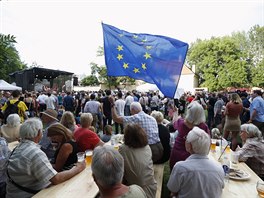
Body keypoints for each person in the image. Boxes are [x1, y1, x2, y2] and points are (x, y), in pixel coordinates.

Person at [6, 118, 85, 198]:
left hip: (14, 193)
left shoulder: (18, 148)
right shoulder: (35, 153)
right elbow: (56, 179)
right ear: (39, 133)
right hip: (31, 194)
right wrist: (78, 168)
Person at [167, 127, 225, 198]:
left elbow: (173, 190)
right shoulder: (219, 168)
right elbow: (221, 188)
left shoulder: (181, 167)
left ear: (189, 146)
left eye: (186, 139)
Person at [110, 98, 163, 163]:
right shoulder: (152, 118)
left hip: (149, 150)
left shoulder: (136, 118)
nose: (130, 113)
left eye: (130, 111)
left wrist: (112, 104)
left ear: (132, 110)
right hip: (159, 148)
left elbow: (116, 119)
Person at [119, 124, 157, 198]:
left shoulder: (123, 149)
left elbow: (120, 170)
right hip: (151, 187)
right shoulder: (147, 147)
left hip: (135, 192)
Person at [170, 101, 210, 170]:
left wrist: (176, 112)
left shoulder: (181, 123)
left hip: (178, 155)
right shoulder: (204, 127)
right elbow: (208, 142)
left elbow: (174, 122)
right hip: (195, 158)